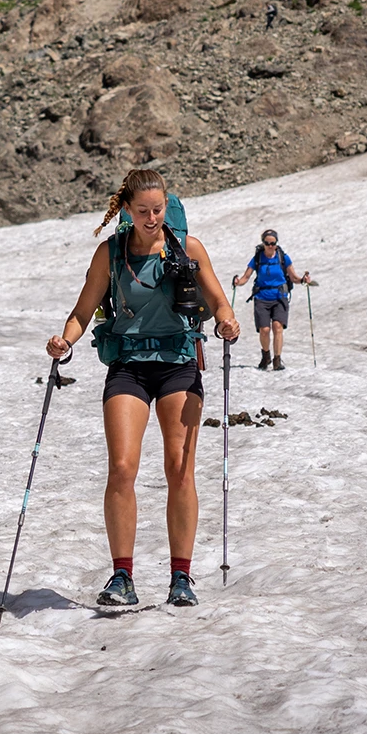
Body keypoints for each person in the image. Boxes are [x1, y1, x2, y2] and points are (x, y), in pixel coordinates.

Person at [45, 169, 241, 608]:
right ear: (126, 211)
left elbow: (218, 301)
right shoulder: (110, 254)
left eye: (158, 210)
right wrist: (64, 340)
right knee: (122, 467)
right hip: (129, 366)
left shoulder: (187, 249)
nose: (152, 218)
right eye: (142, 211)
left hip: (178, 364)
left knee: (179, 468)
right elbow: (82, 311)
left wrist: (227, 321)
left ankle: (181, 577)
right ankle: (122, 576)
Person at [232, 229, 311, 371]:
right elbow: (246, 277)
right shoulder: (257, 258)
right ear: (263, 243)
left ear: (276, 243)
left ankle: (277, 360)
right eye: (267, 243)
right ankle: (266, 355)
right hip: (261, 297)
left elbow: (293, 277)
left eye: (272, 243)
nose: (270, 246)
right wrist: (238, 282)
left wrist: (303, 280)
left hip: (279, 297)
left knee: (277, 327)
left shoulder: (283, 258)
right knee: (264, 329)